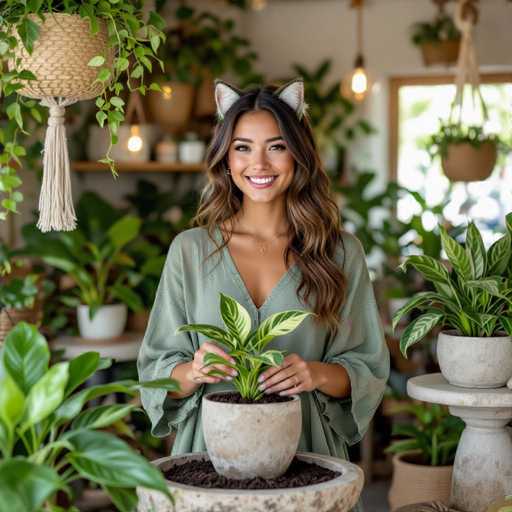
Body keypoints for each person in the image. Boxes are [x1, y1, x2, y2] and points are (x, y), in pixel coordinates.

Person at [137, 78, 390, 510]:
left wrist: (315, 373)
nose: (259, 163)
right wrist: (195, 370)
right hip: (211, 457)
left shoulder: (339, 252)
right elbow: (157, 373)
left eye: (275, 146)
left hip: (308, 453)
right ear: (225, 156)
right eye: (242, 147)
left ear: (298, 152)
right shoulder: (190, 250)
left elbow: (366, 366)